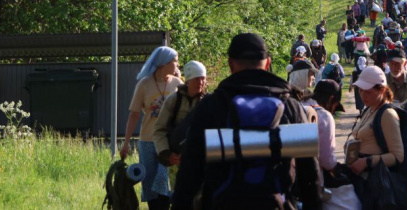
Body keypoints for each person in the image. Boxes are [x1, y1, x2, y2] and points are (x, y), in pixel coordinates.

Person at [172, 33, 322, 209]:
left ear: (230, 64)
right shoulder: (291, 107)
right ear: (267, 63)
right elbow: (310, 177)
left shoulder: (210, 106)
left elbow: (189, 173)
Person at [120, 46, 182, 210]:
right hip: (147, 140)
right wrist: (126, 143)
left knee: (164, 179)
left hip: (169, 142)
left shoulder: (177, 84)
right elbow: (134, 115)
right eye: (175, 61)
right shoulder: (144, 84)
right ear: (164, 63)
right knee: (149, 184)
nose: (178, 65)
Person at [349, 66, 407, 206]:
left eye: (368, 92)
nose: (363, 96)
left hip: (378, 183)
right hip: (365, 180)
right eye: (360, 90)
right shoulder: (370, 109)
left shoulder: (387, 115)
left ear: (382, 90)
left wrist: (366, 162)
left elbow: (397, 156)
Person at [155, 61, 209, 177]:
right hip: (177, 159)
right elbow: (159, 130)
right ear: (188, 81)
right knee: (178, 194)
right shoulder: (173, 100)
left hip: (201, 160)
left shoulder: (208, 102)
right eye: (196, 79)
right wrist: (166, 153)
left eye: (203, 78)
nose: (200, 82)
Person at [303, 79, 345, 181]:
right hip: (311, 180)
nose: (333, 111)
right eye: (335, 106)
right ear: (331, 99)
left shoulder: (299, 105)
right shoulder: (324, 116)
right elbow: (327, 162)